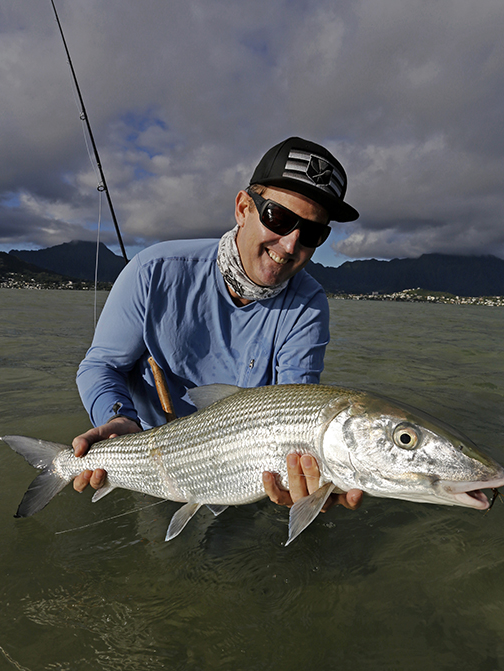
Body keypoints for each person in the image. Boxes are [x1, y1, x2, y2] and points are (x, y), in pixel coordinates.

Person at [72, 136, 363, 512]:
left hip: (246, 466)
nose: (291, 245)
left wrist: (305, 478)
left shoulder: (309, 306)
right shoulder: (152, 272)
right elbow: (101, 366)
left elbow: (296, 408)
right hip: (151, 456)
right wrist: (118, 419)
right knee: (161, 559)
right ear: (243, 208)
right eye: (278, 217)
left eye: (312, 233)